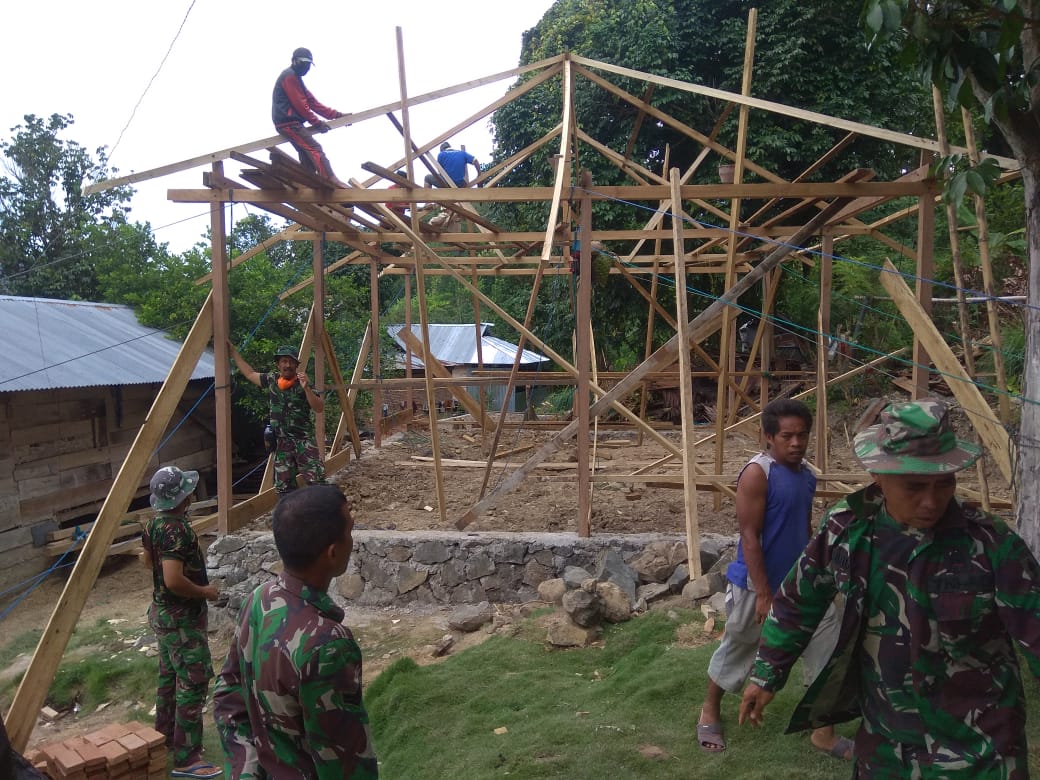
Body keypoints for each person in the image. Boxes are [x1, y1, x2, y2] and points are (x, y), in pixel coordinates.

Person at [739, 398, 1040, 776]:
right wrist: (768, 672)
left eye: (944, 483)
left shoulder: (990, 544)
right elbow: (799, 601)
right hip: (885, 745)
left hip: (978, 750)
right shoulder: (848, 531)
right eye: (914, 486)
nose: (932, 501)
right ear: (878, 476)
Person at [696, 399, 849, 759]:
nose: (796, 443)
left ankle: (823, 733)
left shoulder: (807, 475)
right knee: (742, 646)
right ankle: (710, 711)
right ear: (768, 437)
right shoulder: (757, 473)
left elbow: (804, 529)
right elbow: (750, 536)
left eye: (802, 435)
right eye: (787, 436)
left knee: (827, 650)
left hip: (802, 584)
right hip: (756, 585)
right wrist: (764, 593)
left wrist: (818, 572)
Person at [213, 485, 378, 778]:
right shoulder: (327, 645)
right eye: (350, 531)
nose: (352, 540)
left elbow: (228, 696)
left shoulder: (258, 601)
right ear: (333, 551)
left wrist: (246, 772)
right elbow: (345, 763)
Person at [141, 466, 221, 779]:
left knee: (169, 675)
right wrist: (205, 591)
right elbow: (174, 579)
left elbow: (148, 561)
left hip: (161, 613)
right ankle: (187, 757)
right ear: (183, 497)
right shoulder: (178, 530)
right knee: (194, 678)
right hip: (180, 619)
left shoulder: (153, 525)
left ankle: (163, 738)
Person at [229, 342, 326, 495]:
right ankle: (291, 516)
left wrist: (306, 388)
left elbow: (319, 407)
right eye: (284, 361)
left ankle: (323, 514)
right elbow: (249, 374)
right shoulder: (272, 380)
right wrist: (234, 353)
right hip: (281, 442)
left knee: (317, 481)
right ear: (278, 364)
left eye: (291, 361)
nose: (287, 365)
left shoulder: (303, 383)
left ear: (296, 364)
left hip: (303, 441)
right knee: (283, 487)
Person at [272, 47, 347, 185]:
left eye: (308, 65)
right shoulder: (289, 76)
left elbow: (312, 102)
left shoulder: (297, 79)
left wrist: (336, 115)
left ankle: (309, 185)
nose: (306, 68)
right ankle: (331, 180)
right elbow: (301, 105)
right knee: (315, 149)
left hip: (292, 124)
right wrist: (317, 123)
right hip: (288, 123)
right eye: (303, 64)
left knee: (307, 156)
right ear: (294, 61)